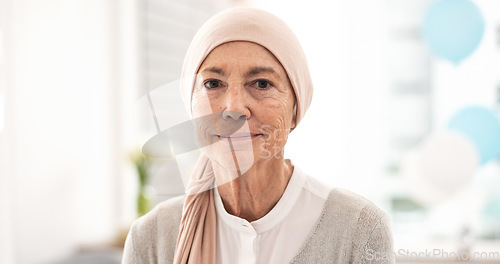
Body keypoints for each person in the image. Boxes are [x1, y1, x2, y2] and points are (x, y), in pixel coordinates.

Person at [122, 7, 394, 264]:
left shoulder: (360, 230)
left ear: (295, 108)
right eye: (212, 84)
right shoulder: (150, 239)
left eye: (262, 83)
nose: (234, 108)